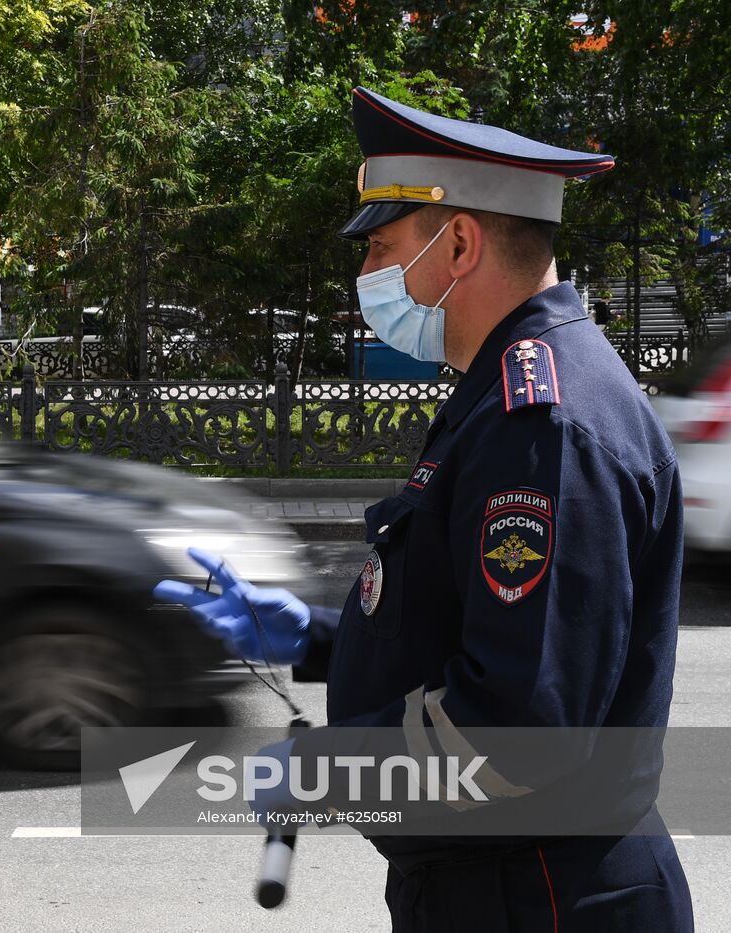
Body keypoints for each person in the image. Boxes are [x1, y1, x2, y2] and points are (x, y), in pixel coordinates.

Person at [156, 87, 691, 931]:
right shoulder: (506, 392)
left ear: (461, 242)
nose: (364, 277)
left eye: (380, 248)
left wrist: (330, 769)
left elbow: (521, 730)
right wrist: (319, 636)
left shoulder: (542, 422)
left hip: (541, 895)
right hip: (498, 883)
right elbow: (468, 629)